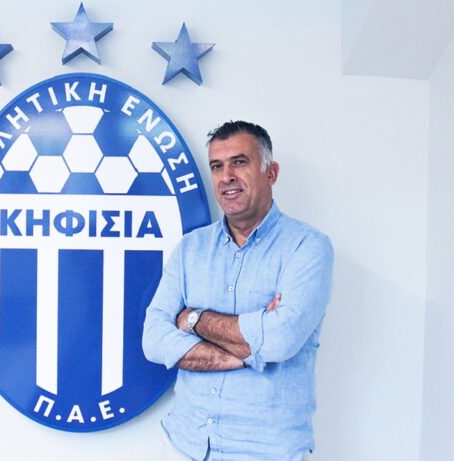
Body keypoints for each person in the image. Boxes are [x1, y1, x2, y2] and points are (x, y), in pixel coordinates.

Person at [142, 121, 333, 461]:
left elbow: (280, 340)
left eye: (240, 162)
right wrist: (251, 349)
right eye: (217, 166)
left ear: (271, 173)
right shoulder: (190, 249)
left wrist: (193, 319)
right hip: (183, 445)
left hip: (266, 452)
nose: (226, 176)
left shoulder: (307, 247)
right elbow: (154, 340)